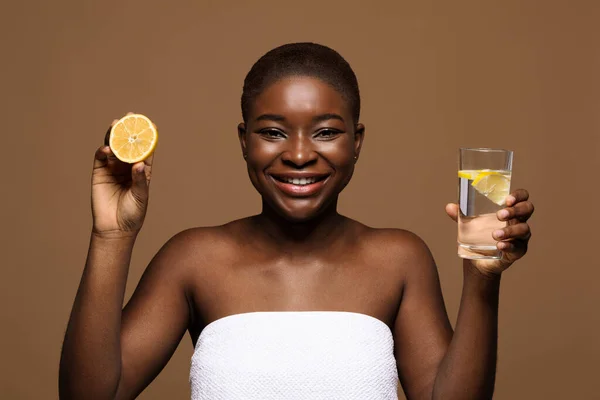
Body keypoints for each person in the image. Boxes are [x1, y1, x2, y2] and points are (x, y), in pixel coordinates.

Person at [59, 42, 534, 400]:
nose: (301, 154)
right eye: (272, 133)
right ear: (244, 141)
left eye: (326, 132)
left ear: (357, 141)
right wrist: (111, 235)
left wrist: (480, 278)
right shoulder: (194, 259)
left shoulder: (399, 259)